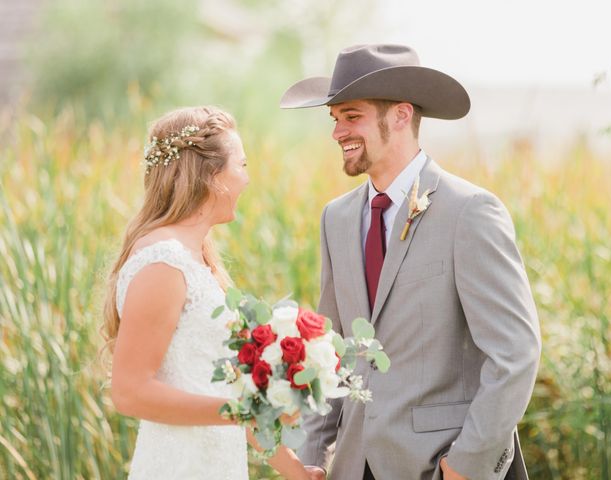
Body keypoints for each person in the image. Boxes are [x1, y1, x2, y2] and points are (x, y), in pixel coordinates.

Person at [280, 44, 541, 480]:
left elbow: (515, 354)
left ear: (401, 115)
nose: (337, 132)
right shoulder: (337, 218)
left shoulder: (470, 211)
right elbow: (332, 351)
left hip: (440, 466)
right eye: (335, 119)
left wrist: (466, 465)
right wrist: (308, 455)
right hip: (351, 466)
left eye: (352, 116)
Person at [103, 106, 312, 480]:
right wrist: (240, 410)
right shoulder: (164, 263)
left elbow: (224, 393)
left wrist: (297, 472)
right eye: (242, 165)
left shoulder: (197, 259)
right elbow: (129, 392)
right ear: (212, 177)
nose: (247, 179)